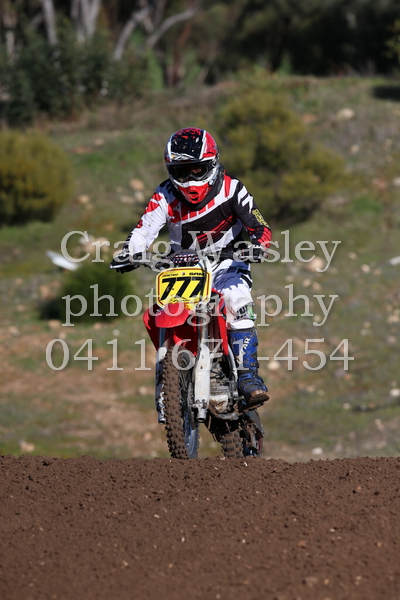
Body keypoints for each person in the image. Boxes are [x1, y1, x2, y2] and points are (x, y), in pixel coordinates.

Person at [114, 127, 272, 411]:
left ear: (212, 163)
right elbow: (143, 230)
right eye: (181, 172)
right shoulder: (165, 194)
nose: (189, 179)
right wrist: (130, 252)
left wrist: (259, 245)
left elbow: (258, 225)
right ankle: (176, 373)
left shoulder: (232, 189)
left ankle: (248, 377)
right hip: (184, 265)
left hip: (228, 262)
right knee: (161, 311)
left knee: (238, 301)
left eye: (196, 169)